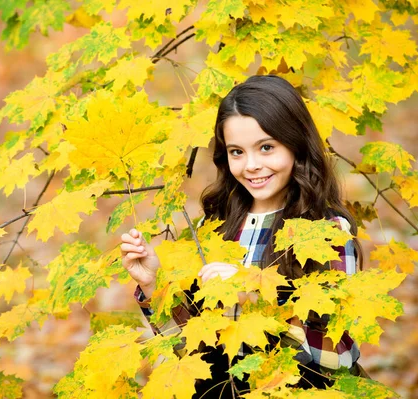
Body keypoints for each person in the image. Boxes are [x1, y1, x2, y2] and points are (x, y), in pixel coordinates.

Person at [120, 75, 364, 397]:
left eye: (266, 148)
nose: (251, 165)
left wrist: (254, 294)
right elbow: (191, 349)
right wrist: (154, 285)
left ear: (296, 144)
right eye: (237, 152)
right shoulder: (220, 227)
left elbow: (336, 359)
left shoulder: (326, 232)